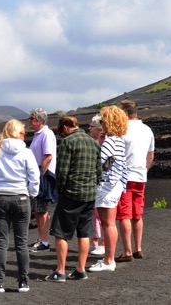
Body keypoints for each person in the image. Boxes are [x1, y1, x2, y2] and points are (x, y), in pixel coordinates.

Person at [0, 119, 40, 293]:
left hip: (1, 198)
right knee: (21, 243)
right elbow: (34, 176)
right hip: (21, 198)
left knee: (1, 242)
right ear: (19, 133)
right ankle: (23, 282)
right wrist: (31, 193)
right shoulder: (26, 152)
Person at [45, 116, 101, 282]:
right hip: (90, 194)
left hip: (71, 193)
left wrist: (61, 190)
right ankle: (80, 270)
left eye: (61, 131)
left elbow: (62, 172)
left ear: (66, 127)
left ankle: (60, 271)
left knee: (61, 232)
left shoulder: (68, 142)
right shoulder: (93, 142)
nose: (61, 134)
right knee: (84, 232)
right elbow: (99, 172)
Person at [88, 106, 128, 272]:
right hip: (114, 185)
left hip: (107, 186)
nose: (101, 124)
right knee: (109, 224)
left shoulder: (110, 141)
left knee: (108, 224)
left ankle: (108, 261)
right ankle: (108, 259)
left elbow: (102, 163)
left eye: (103, 121)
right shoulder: (118, 140)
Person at [116, 100, 155, 263]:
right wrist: (144, 171)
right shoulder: (147, 130)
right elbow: (150, 155)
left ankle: (127, 251)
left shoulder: (122, 130)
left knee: (124, 214)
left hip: (124, 177)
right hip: (140, 176)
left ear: (125, 114)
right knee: (137, 214)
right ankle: (138, 248)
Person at [27, 108, 57, 253]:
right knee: (39, 210)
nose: (29, 121)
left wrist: (39, 175)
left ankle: (44, 241)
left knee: (42, 210)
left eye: (32, 118)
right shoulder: (38, 134)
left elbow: (48, 156)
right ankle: (41, 239)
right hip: (39, 173)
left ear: (40, 120)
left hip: (43, 174)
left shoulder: (46, 134)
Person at [87, 115, 105, 256]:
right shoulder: (92, 143)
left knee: (103, 215)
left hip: (103, 184)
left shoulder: (105, 143)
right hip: (93, 183)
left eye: (92, 126)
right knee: (93, 215)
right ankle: (94, 243)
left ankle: (104, 244)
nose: (89, 129)